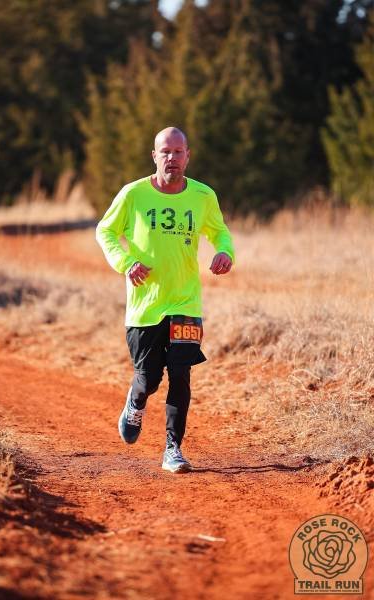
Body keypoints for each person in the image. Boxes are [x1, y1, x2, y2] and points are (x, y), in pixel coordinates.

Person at [96, 126, 234, 473]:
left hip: (185, 302)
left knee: (181, 374)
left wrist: (224, 251)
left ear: (188, 156)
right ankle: (135, 402)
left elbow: (219, 231)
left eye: (178, 152)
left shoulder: (203, 196)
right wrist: (126, 263)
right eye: (165, 152)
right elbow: (105, 231)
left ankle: (173, 448)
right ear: (154, 156)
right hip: (145, 306)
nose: (172, 158)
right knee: (149, 379)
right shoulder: (133, 194)